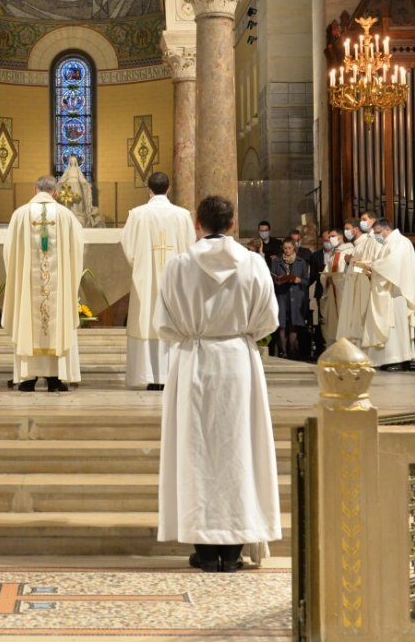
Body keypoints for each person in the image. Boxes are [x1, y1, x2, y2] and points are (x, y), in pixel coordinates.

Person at [155, 194, 280, 573]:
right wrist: (239, 332)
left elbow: (165, 323)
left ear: (197, 222)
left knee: (197, 451)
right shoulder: (253, 263)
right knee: (239, 447)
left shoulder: (179, 265)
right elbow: (268, 319)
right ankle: (234, 548)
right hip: (239, 362)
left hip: (195, 360)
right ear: (231, 224)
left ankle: (205, 551)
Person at [3, 174, 84, 392]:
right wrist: (70, 280)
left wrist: (18, 277)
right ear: (55, 192)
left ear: (34, 190)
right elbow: (78, 250)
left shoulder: (20, 215)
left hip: (29, 286)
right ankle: (55, 379)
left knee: (29, 321)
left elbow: (9, 252)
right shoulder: (66, 216)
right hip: (57, 287)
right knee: (55, 323)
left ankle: (28, 378)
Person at [120, 171, 196, 390]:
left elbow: (128, 247)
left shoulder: (137, 214)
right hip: (174, 281)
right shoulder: (182, 215)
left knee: (147, 321)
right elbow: (191, 247)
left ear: (149, 190)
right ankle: (171, 375)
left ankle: (149, 375)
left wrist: (141, 266)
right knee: (171, 321)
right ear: (169, 189)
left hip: (146, 282)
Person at [358, 218, 415, 371]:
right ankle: (387, 359)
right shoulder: (389, 243)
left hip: (397, 293)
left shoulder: (401, 242)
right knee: (389, 327)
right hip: (388, 292)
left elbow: (393, 265)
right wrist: (371, 269)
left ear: (386, 229)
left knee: (395, 327)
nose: (377, 236)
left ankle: (400, 359)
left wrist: (373, 265)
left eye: (378, 232)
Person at [335, 210, 381, 344]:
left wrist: (352, 262)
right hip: (355, 285)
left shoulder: (370, 241)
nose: (363, 222)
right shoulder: (360, 244)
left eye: (365, 219)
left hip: (363, 285)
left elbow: (370, 265)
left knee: (360, 321)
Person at [270, 240, 310, 359]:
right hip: (282, 295)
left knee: (294, 323)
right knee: (282, 324)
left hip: (296, 296)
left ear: (294, 249)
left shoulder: (301, 261)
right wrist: (278, 280)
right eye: (285, 248)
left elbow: (306, 281)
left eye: (289, 248)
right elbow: (272, 278)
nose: (287, 250)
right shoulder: (277, 261)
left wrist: (299, 280)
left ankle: (292, 350)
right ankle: (283, 351)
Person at [318, 229, 351, 344]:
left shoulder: (350, 250)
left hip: (344, 291)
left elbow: (350, 273)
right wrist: (327, 278)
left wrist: (337, 278)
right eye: (329, 236)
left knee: (345, 320)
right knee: (333, 322)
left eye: (332, 236)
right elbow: (326, 272)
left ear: (340, 237)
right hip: (332, 291)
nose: (330, 238)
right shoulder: (334, 254)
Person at [57, 154, 103, 227]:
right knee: (69, 200)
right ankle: (70, 212)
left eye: (74, 161)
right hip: (69, 186)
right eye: (71, 161)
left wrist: (86, 184)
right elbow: (63, 178)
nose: (72, 162)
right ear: (69, 162)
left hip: (77, 186)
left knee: (78, 199)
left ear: (76, 162)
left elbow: (82, 179)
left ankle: (78, 212)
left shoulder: (78, 170)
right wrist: (59, 183)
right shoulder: (67, 170)